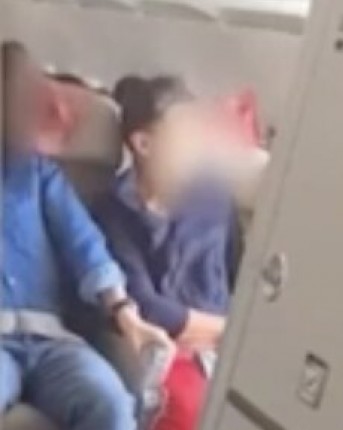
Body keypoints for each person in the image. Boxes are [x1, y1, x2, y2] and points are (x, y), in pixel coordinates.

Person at [1, 41, 174, 429]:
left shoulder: (40, 176)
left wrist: (127, 315)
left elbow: (85, 246)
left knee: (110, 406)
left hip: (51, 342)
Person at [93, 75, 240, 430]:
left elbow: (241, 275)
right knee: (189, 410)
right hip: (166, 348)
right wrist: (233, 331)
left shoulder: (216, 198)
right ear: (144, 143)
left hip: (225, 346)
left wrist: (236, 335)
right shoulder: (113, 212)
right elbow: (147, 306)